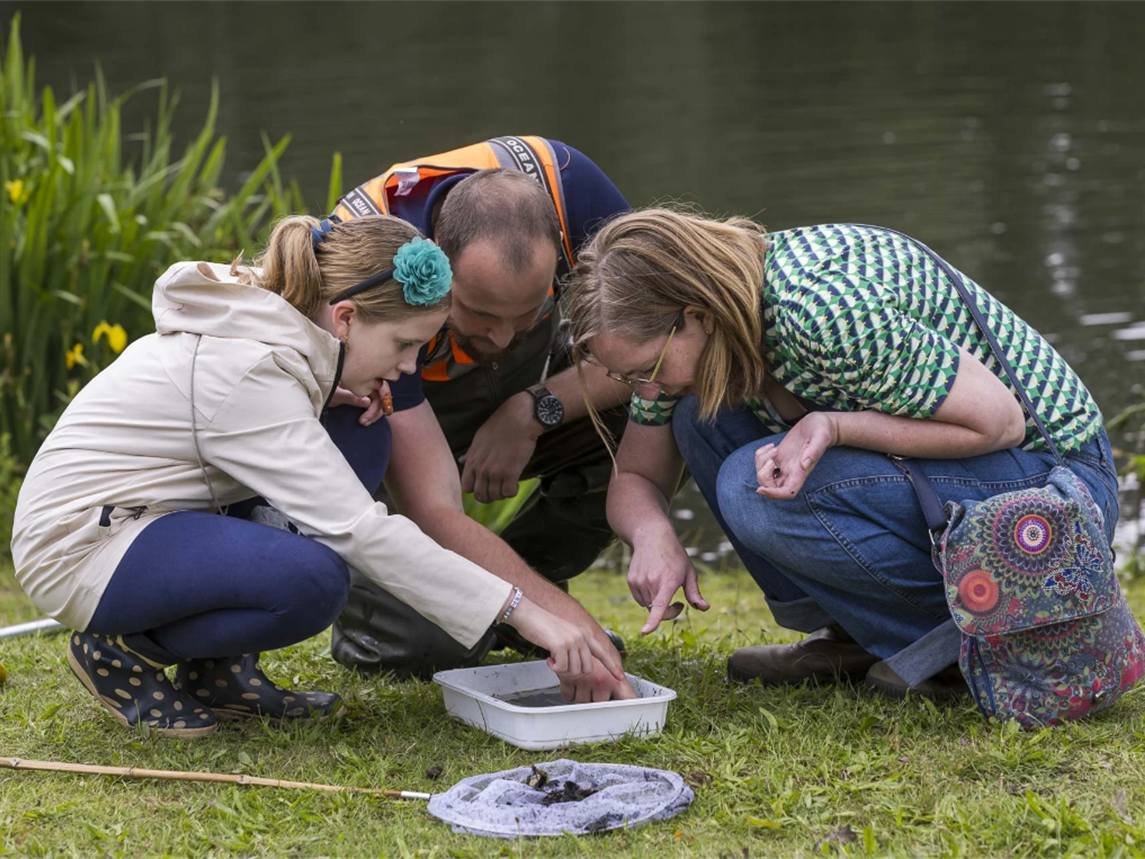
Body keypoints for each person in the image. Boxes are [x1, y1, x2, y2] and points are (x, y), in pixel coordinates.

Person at [10, 214, 626, 739]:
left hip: (158, 515)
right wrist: (523, 612)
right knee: (311, 582)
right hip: (83, 545)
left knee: (360, 432)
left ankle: (219, 674)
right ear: (346, 318)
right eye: (404, 345)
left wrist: (332, 388)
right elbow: (359, 529)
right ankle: (120, 651)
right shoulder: (248, 371)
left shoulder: (281, 334)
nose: (407, 367)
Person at [565, 211, 1122, 700]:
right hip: (985, 471)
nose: (647, 391)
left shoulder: (821, 312)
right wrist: (651, 533)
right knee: (699, 416)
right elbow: (635, 473)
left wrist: (833, 425)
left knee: (748, 486)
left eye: (650, 370)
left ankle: (972, 640)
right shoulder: (701, 324)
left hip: (1056, 488)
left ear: (697, 316)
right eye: (629, 377)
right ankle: (854, 635)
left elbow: (1000, 421)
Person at [326, 136, 637, 690]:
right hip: (392, 415)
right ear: (436, 261)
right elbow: (434, 507)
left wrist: (533, 409)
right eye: (480, 312)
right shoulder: (376, 254)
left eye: (529, 311)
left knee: (665, 401)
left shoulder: (577, 191)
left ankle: (526, 583)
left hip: (525, 387)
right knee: (432, 648)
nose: (502, 337)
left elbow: (655, 346)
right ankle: (386, 616)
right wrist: (572, 622)